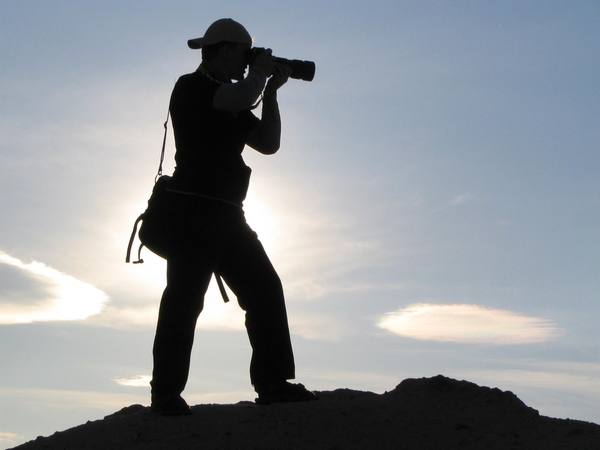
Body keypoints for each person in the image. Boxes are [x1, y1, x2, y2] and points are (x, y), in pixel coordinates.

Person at [149, 18, 317, 416]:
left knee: (264, 290)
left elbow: (268, 144)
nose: (246, 64)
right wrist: (260, 72)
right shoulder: (191, 87)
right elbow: (240, 95)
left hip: (228, 216)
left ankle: (274, 383)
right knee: (184, 301)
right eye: (243, 56)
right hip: (191, 211)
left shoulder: (236, 94)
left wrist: (272, 92)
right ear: (224, 51)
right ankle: (165, 394)